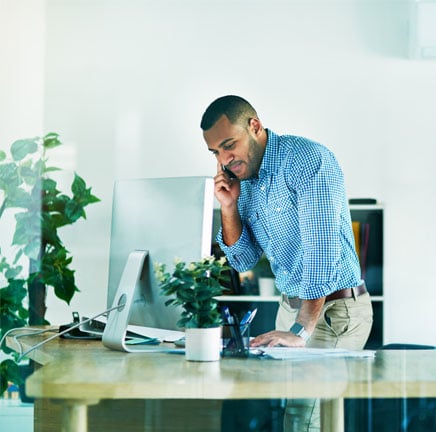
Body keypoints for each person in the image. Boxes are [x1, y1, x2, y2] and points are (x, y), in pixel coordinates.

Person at [200, 95, 373, 431]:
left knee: (303, 416)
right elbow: (243, 258)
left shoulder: (307, 161)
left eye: (229, 145)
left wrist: (301, 330)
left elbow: (321, 255)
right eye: (215, 152)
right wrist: (229, 207)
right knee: (296, 414)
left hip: (335, 311)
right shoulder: (243, 179)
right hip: (292, 306)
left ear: (254, 126)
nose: (225, 159)